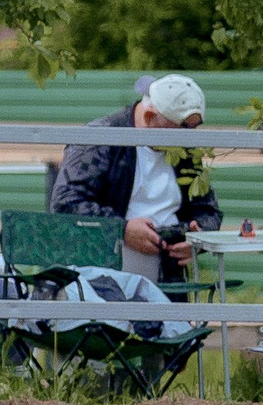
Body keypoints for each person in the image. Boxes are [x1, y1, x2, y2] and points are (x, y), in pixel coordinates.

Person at [48, 71, 220, 283]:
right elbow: (65, 203)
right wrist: (122, 229)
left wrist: (198, 239)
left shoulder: (184, 149)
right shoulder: (100, 138)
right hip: (104, 275)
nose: (188, 138)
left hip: (168, 276)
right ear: (149, 117)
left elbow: (209, 211)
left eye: (194, 128)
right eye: (182, 128)